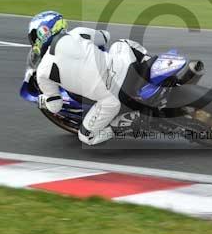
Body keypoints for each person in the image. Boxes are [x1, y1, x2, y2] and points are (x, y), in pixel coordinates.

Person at [27, 11, 148, 146]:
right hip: (127, 69)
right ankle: (149, 65)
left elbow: (55, 106)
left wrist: (41, 100)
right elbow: (105, 37)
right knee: (121, 44)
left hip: (113, 98)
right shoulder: (77, 33)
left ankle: (125, 123)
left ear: (42, 33)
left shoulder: (43, 72)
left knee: (86, 137)